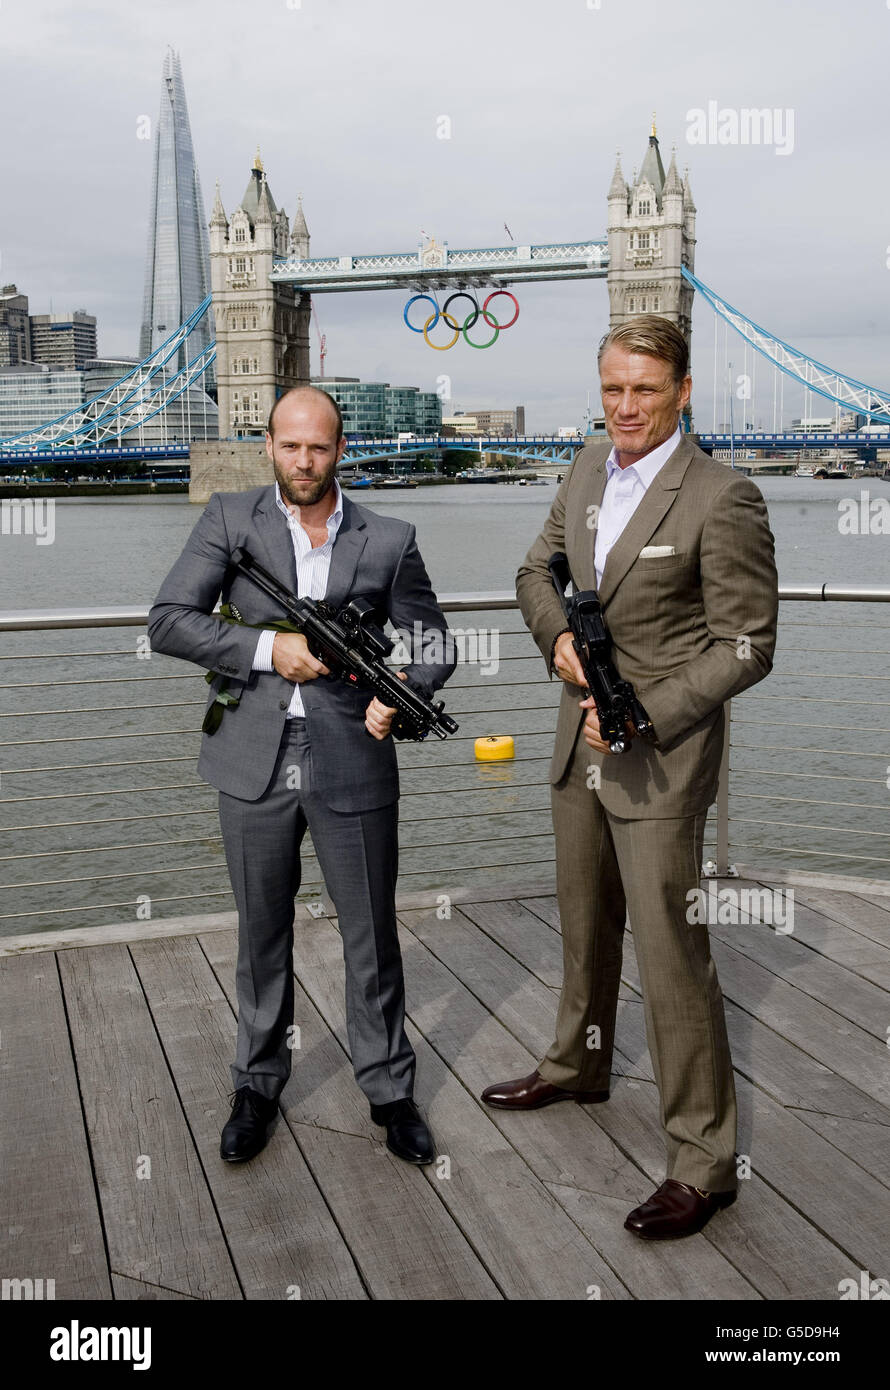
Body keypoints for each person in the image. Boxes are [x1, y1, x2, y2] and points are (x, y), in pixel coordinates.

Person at [480, 315, 779, 1239]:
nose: (625, 407)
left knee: (672, 957)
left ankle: (704, 1161)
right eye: (612, 389)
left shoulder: (722, 496)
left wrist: (645, 713)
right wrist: (560, 639)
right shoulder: (584, 466)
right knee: (583, 922)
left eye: (644, 390)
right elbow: (537, 570)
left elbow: (747, 644)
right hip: (577, 743)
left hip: (661, 759)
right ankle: (578, 1064)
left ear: (683, 391)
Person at [148, 386, 455, 1167]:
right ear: (270, 446)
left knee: (371, 935)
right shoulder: (229, 518)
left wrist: (406, 698)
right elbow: (170, 620)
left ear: (341, 449)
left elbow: (432, 641)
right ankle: (257, 1085)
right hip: (252, 752)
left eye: (318, 447)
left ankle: (389, 1092)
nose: (304, 461)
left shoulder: (389, 537)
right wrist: (267, 651)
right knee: (260, 934)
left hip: (352, 754)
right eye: (290, 446)